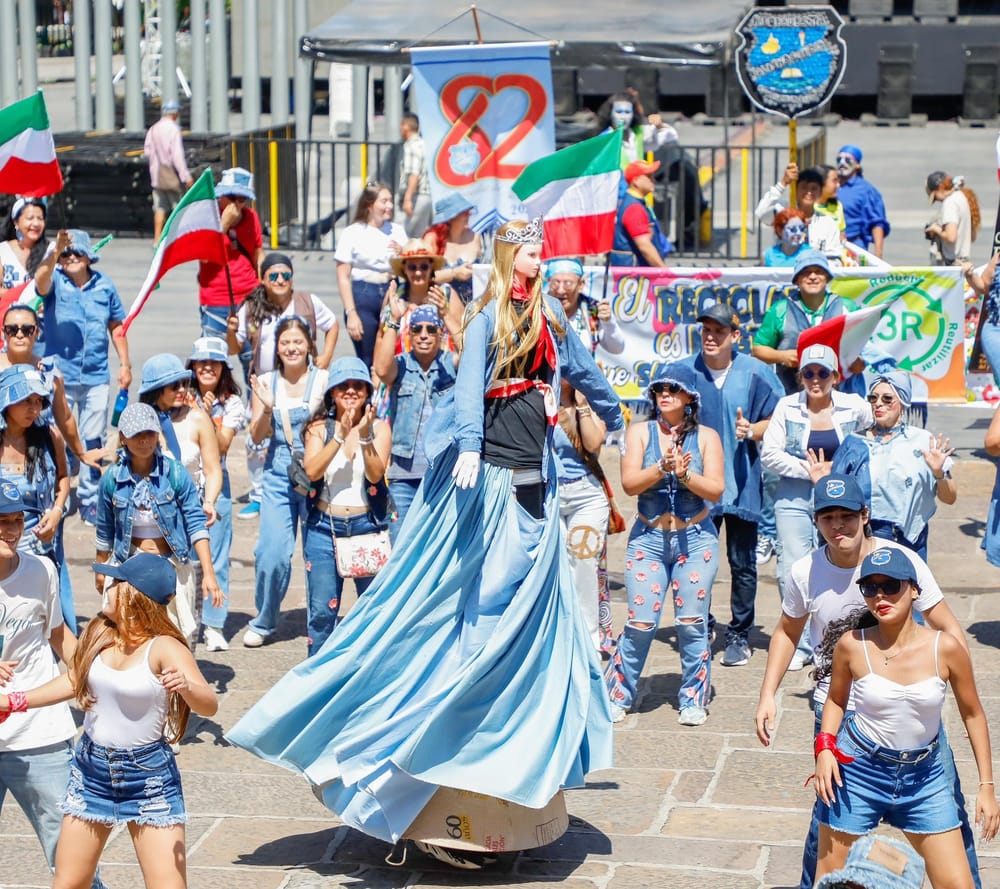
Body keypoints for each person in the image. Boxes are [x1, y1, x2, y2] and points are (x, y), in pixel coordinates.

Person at [227, 217, 624, 869]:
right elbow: (469, 385)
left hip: (535, 485)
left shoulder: (547, 311)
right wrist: (468, 445)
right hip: (489, 479)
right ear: (507, 254)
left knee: (541, 615)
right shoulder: (495, 312)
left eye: (539, 246)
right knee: (487, 604)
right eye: (528, 246)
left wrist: (612, 412)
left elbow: (581, 364)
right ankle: (446, 719)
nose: (539, 253)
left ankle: (506, 723)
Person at [753, 475, 979, 889]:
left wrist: (944, 676)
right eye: (828, 518)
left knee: (952, 809)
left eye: (847, 517)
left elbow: (946, 625)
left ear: (865, 515)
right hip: (838, 706)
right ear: (816, 521)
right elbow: (787, 631)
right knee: (827, 816)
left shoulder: (900, 561)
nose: (838, 526)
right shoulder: (806, 572)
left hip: (905, 704)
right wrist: (768, 694)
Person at [0, 552, 218, 889]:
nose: (105, 586)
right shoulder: (101, 630)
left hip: (148, 780)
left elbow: (210, 706)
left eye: (115, 582)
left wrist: (187, 687)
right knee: (70, 882)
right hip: (92, 773)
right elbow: (76, 679)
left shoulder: (165, 648)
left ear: (134, 596)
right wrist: (15, 701)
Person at [813, 547, 999, 886]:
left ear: (914, 589)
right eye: (870, 587)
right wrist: (825, 748)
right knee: (830, 881)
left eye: (891, 585)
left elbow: (973, 714)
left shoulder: (946, 648)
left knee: (958, 885)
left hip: (925, 779)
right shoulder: (852, 646)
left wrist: (987, 787)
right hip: (858, 772)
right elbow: (836, 701)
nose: (880, 596)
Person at [0, 482, 107, 889]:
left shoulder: (41, 570)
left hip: (39, 734)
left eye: (17, 521)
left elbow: (60, 637)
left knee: (72, 861)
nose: (11, 530)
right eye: (1, 522)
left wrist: (98, 674)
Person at [606, 362, 724, 725]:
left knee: (691, 622)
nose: (665, 394)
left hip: (696, 538)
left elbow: (716, 490)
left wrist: (686, 474)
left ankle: (692, 697)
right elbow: (629, 484)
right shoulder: (640, 432)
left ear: (690, 397)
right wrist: (661, 468)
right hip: (650, 538)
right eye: (659, 389)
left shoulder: (707, 437)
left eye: (673, 388)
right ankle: (618, 693)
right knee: (641, 623)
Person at [681, 304, 783, 668]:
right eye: (706, 330)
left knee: (742, 563)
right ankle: (701, 625)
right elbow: (661, 415)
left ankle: (740, 632)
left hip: (742, 482)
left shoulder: (755, 373)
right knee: (696, 560)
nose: (710, 337)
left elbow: (780, 417)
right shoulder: (683, 373)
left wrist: (753, 430)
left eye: (719, 331)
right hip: (697, 485)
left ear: (735, 336)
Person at [761, 344, 871, 669]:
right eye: (809, 372)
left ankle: (839, 636)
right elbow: (769, 453)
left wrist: (837, 473)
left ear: (836, 376)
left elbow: (873, 433)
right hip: (795, 496)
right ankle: (800, 642)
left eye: (823, 372)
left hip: (839, 501)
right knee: (791, 569)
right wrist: (809, 472)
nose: (816, 379)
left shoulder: (854, 407)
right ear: (800, 376)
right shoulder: (786, 406)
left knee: (843, 565)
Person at [95, 403, 222, 647]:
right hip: (129, 569)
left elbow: (196, 522)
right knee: (134, 641)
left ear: (158, 434)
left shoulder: (175, 474)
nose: (144, 440)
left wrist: (208, 573)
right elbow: (105, 530)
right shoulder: (111, 479)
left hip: (171, 568)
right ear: (123, 437)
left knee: (175, 639)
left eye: (149, 433)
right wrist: (101, 570)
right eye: (136, 434)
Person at [226, 252, 339, 520]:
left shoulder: (307, 301)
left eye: (285, 275)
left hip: (303, 380)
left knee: (305, 432)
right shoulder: (251, 308)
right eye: (273, 275)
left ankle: (309, 481)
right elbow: (233, 347)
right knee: (256, 438)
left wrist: (325, 356)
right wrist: (231, 330)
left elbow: (332, 324)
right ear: (263, 280)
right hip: (265, 380)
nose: (280, 280)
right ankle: (258, 494)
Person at [36, 228, 132, 526]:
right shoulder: (56, 282)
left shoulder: (105, 286)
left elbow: (117, 326)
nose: (71, 257)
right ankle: (55, 494)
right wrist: (54, 252)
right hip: (58, 375)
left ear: (89, 256)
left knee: (94, 437)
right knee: (54, 437)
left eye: (76, 252)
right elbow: (40, 283)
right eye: (66, 254)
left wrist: (125, 364)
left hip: (95, 375)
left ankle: (91, 498)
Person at [243, 317, 327, 647]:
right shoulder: (266, 382)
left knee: (318, 552)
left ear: (309, 345)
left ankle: (320, 621)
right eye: (285, 343)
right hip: (278, 473)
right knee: (271, 552)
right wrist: (265, 409)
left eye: (298, 341)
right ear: (276, 348)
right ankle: (265, 617)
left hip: (315, 473)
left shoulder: (323, 380)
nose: (292, 348)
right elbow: (255, 436)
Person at [301, 357, 391, 655]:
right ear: (332, 393)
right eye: (343, 386)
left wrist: (363, 436)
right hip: (324, 527)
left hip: (367, 526)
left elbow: (376, 474)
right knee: (323, 612)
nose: (351, 391)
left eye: (357, 386)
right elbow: (311, 471)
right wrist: (339, 435)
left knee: (371, 611)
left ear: (367, 391)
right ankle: (316, 679)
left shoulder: (380, 428)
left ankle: (366, 677)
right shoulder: (318, 428)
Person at [137, 353, 223, 638]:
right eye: (173, 386)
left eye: (184, 383)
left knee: (186, 607)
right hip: (148, 528)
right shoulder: (140, 422)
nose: (182, 390)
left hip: (189, 521)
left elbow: (212, 470)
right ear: (155, 389)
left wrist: (209, 501)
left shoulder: (197, 419)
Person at [832, 371, 955, 560]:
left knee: (909, 589)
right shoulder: (854, 443)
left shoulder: (923, 441)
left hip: (910, 538)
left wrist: (939, 473)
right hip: (865, 536)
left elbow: (950, 498)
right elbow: (835, 495)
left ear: (903, 402)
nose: (878, 403)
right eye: (873, 398)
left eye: (887, 398)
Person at [373, 302, 456, 536]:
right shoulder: (401, 364)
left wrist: (447, 315)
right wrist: (393, 319)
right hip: (403, 477)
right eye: (417, 329)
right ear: (409, 334)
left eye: (431, 329)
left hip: (443, 473)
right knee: (400, 545)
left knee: (438, 549)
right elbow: (381, 370)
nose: (423, 335)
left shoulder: (452, 364)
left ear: (441, 333)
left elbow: (473, 356)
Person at [187, 337, 245, 651]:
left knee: (217, 558)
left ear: (223, 367)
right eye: (201, 362)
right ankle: (183, 618)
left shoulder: (232, 402)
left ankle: (213, 623)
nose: (207, 367)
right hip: (184, 485)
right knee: (184, 558)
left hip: (215, 487)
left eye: (214, 362)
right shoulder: (180, 395)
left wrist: (206, 418)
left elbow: (221, 446)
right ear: (192, 366)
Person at [751, 250, 850, 395]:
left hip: (840, 395)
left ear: (827, 277)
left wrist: (859, 362)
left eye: (818, 271)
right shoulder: (780, 310)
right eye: (806, 272)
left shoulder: (846, 307)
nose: (812, 277)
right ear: (796, 280)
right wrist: (782, 356)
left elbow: (865, 347)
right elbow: (758, 349)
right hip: (790, 392)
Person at [197, 168, 262, 382]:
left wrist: (263, 288)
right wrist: (223, 225)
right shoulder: (208, 217)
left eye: (241, 199)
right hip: (216, 299)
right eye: (231, 197)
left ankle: (255, 410)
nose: (236, 203)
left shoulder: (251, 218)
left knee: (252, 359)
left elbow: (257, 254)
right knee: (212, 362)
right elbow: (204, 257)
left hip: (248, 297)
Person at [334, 183, 406, 367]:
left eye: (390, 201)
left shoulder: (397, 231)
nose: (389, 206)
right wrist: (351, 313)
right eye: (384, 201)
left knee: (392, 352)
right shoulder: (353, 232)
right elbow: (343, 276)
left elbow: (411, 267)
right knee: (367, 358)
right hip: (364, 294)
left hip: (392, 290)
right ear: (369, 205)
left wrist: (403, 253)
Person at [383, 238, 462, 347]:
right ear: (404, 268)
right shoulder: (394, 295)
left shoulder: (446, 294)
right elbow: (381, 337)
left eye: (424, 267)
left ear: (432, 267)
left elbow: (464, 337)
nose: (418, 272)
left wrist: (446, 314)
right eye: (412, 267)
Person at [755, 165, 843, 258]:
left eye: (814, 188)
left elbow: (834, 256)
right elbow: (761, 212)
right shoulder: (783, 211)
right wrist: (783, 183)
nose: (809, 192)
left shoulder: (828, 223)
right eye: (804, 187)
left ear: (820, 192)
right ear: (796, 190)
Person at [545, 258, 625, 356]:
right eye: (555, 283)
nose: (561, 290)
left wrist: (608, 322)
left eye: (568, 284)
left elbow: (617, 348)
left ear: (581, 285)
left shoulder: (592, 310)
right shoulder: (538, 309)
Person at [143, 99, 193, 242]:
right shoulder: (173, 129)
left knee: (159, 207)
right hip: (171, 175)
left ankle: (157, 239)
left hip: (157, 176)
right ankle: (177, 239)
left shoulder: (153, 129)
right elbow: (177, 156)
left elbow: (147, 151)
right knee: (178, 208)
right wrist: (186, 176)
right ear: (175, 113)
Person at [423, 193, 482, 306]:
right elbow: (424, 276)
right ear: (450, 218)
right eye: (464, 213)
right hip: (441, 305)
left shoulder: (475, 237)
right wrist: (454, 273)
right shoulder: (432, 239)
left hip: (472, 305)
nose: (468, 216)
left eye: (469, 212)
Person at [611, 160, 672, 267]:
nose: (653, 180)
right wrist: (665, 273)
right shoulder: (634, 208)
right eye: (648, 177)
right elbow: (645, 247)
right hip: (636, 277)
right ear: (636, 181)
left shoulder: (631, 202)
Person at [598, 88, 679, 167]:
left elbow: (671, 137)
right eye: (618, 112)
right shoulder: (604, 139)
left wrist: (659, 125)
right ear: (610, 114)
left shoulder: (639, 133)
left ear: (633, 114)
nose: (623, 116)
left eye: (627, 112)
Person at [835, 145, 889, 259]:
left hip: (855, 247)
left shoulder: (866, 191)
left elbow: (877, 223)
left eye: (848, 160)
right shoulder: (829, 186)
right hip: (830, 246)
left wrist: (878, 255)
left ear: (857, 165)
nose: (842, 163)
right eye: (839, 160)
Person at [0, 197, 58, 297]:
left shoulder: (53, 250)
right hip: (10, 310)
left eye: (40, 218)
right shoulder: (3, 250)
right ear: (16, 223)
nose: (36, 224)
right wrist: (24, 297)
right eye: (30, 218)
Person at [925, 171, 980, 266]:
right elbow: (972, 236)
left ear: (940, 188)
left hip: (952, 264)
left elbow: (951, 237)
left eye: (935, 197)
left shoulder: (950, 203)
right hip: (963, 262)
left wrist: (936, 228)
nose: (938, 200)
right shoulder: (962, 197)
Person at [397, 114, 432, 238]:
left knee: (403, 235)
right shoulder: (424, 144)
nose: (400, 129)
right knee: (419, 236)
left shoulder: (411, 146)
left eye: (401, 126)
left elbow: (414, 174)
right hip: (427, 196)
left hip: (416, 197)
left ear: (406, 127)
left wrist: (407, 199)